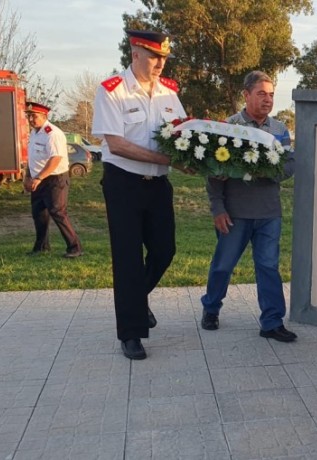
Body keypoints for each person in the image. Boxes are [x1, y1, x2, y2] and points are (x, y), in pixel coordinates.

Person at [92, 29, 187, 360]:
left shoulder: (169, 93)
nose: (160, 62)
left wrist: (192, 158)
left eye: (163, 57)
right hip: (123, 184)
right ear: (135, 54)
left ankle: (135, 301)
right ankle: (131, 333)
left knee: (165, 249)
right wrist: (165, 159)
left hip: (158, 185)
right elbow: (116, 144)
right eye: (153, 56)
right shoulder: (112, 91)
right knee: (128, 258)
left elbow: (182, 135)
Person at [199, 70, 297, 342]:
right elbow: (213, 171)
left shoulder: (279, 130)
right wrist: (217, 208)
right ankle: (211, 307)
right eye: (261, 94)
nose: (267, 100)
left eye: (271, 95)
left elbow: (289, 165)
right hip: (235, 213)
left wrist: (267, 172)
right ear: (246, 95)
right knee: (223, 265)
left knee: (268, 266)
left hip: (268, 213)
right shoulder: (228, 127)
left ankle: (272, 322)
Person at [23, 102, 83, 258]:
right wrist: (27, 176)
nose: (30, 119)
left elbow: (55, 159)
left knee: (58, 212)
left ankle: (75, 247)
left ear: (45, 116)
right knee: (39, 213)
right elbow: (33, 158)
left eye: (34, 116)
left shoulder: (53, 133)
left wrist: (39, 178)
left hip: (55, 179)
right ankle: (41, 247)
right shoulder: (34, 133)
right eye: (28, 116)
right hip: (38, 178)